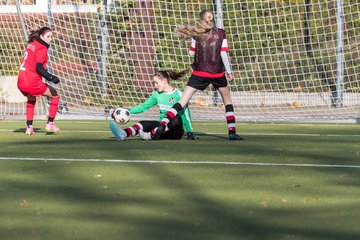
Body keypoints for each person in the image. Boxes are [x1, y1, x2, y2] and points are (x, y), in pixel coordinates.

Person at [152, 9, 243, 141]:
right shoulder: (221, 33)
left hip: (199, 73)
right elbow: (223, 54)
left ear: (201, 20)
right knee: (227, 101)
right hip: (217, 73)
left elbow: (191, 53)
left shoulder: (197, 34)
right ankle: (232, 132)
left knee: (182, 101)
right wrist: (229, 72)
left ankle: (163, 124)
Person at [109, 70, 197, 141]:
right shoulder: (156, 95)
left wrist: (190, 131)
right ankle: (123, 134)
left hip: (175, 131)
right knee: (143, 123)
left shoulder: (179, 94)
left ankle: (151, 135)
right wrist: (127, 111)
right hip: (161, 127)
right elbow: (143, 107)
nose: (155, 86)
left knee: (177, 118)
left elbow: (186, 112)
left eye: (156, 83)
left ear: (164, 81)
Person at [17, 27, 61, 135]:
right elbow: (39, 67)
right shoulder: (42, 48)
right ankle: (50, 123)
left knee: (31, 99)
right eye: (48, 37)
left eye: (51, 37)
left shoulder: (32, 45)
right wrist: (51, 77)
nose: (50, 39)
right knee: (55, 95)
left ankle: (29, 127)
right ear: (41, 36)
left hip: (21, 79)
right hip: (32, 81)